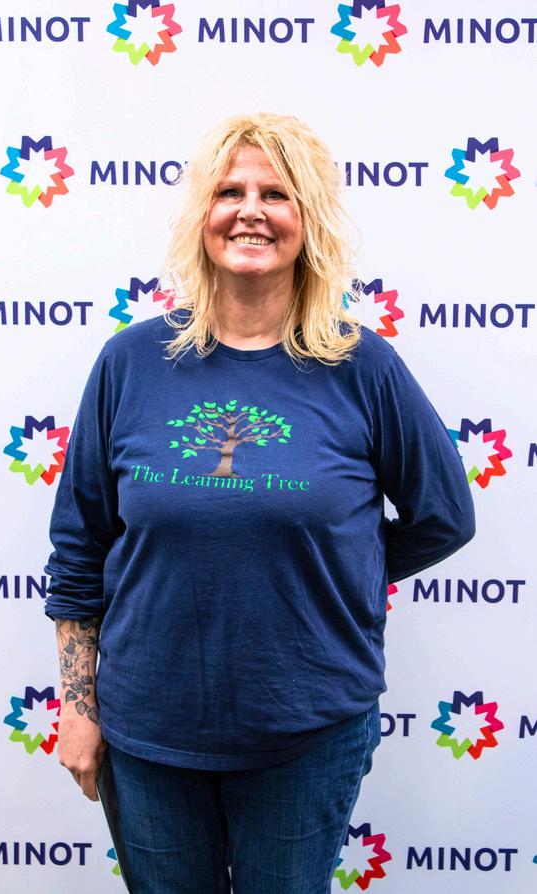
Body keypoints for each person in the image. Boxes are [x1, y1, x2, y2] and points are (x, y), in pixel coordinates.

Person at [44, 112, 475, 894]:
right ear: (202, 215)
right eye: (230, 192)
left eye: (275, 194)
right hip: (148, 733)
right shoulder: (130, 362)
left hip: (307, 733)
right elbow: (80, 548)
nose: (250, 211)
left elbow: (444, 516)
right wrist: (78, 705)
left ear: (309, 220)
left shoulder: (363, 366)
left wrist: (340, 563)